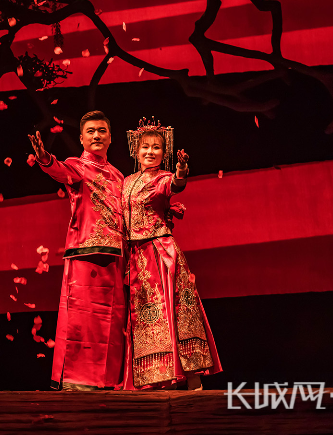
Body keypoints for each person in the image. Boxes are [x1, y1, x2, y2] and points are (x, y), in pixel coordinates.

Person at [120, 119, 222, 390]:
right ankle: (156, 380)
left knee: (174, 312)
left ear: (164, 154)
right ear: (135, 151)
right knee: (146, 318)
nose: (150, 152)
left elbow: (175, 186)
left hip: (160, 253)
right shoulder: (127, 182)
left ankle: (192, 379)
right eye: (145, 147)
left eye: (156, 148)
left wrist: (181, 172)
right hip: (137, 258)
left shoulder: (163, 177)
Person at [28, 110, 126, 391]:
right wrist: (45, 159)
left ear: (110, 137)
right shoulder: (77, 167)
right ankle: (76, 380)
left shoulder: (119, 176)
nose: (97, 135)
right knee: (83, 318)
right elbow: (58, 170)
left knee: (112, 320)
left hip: (115, 256)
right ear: (82, 138)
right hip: (85, 253)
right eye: (91, 131)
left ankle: (107, 380)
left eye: (102, 131)